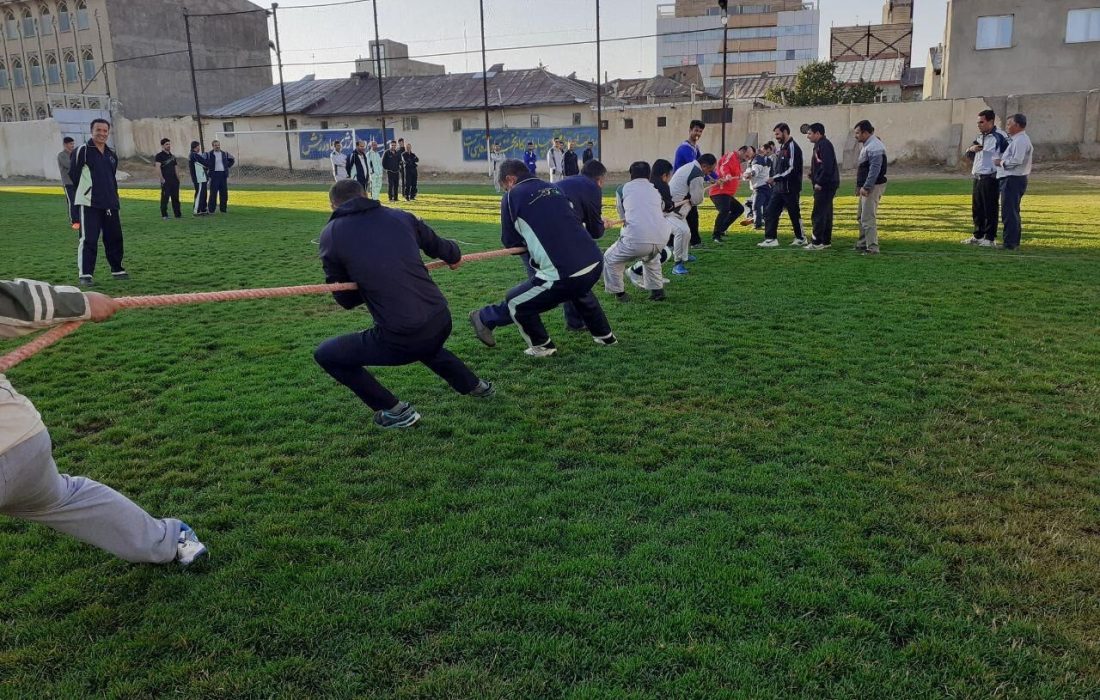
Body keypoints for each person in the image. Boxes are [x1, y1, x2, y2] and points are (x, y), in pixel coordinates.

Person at [0, 279, 208, 566]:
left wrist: (81, 304)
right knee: (62, 497)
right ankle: (169, 542)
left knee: (60, 498)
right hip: (21, 442)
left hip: (16, 441)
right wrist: (82, 302)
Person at [313, 179, 495, 429]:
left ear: (332, 205)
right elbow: (449, 251)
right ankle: (476, 386)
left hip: (403, 335)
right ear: (366, 194)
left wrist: (369, 279)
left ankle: (394, 410)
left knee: (327, 354)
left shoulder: (331, 234)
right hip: (441, 318)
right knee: (422, 341)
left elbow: (345, 299)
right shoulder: (401, 216)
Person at [469, 159, 616, 357]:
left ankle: (542, 346)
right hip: (594, 263)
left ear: (510, 180)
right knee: (578, 289)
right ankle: (605, 336)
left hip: (563, 272)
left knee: (515, 301)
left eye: (504, 187)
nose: (505, 191)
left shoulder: (511, 197)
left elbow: (510, 241)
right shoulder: (552, 187)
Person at [552, 158, 609, 331]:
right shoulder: (592, 187)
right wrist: (602, 224)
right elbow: (595, 232)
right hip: (561, 236)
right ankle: (490, 317)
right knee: (579, 275)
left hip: (543, 232)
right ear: (599, 179)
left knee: (569, 276)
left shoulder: (565, 182)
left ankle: (575, 322)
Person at [72, 119, 127, 287]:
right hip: (90, 203)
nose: (102, 133)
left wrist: (113, 198)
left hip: (110, 203)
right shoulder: (83, 151)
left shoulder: (111, 155)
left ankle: (117, 269)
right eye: (98, 130)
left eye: (105, 131)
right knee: (89, 239)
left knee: (114, 238)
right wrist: (87, 192)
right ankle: (86, 274)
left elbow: (111, 178)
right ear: (91, 130)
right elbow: (74, 175)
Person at [605, 161, 669, 303]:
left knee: (610, 258)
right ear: (649, 174)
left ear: (631, 174)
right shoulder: (655, 190)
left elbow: (623, 216)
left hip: (636, 239)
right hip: (661, 238)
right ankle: (657, 291)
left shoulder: (622, 189)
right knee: (651, 257)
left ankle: (620, 294)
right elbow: (662, 207)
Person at [962, 109, 1010, 247]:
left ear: (990, 121)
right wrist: (971, 149)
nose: (979, 125)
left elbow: (1010, 153)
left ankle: (989, 238)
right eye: (978, 122)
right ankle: (978, 235)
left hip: (991, 177)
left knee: (990, 208)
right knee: (977, 208)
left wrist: (1000, 167)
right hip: (977, 176)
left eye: (981, 122)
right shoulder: (979, 137)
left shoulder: (1000, 136)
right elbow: (969, 153)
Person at [758, 123, 807, 248]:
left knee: (794, 214)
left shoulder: (792, 147)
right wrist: (775, 179)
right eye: (775, 134)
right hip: (778, 188)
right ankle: (771, 239)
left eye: (778, 134)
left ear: (785, 132)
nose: (776, 137)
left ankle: (801, 238)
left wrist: (774, 178)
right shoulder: (782, 147)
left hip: (790, 188)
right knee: (770, 212)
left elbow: (792, 169)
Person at [668, 153, 717, 274]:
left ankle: (684, 256)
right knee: (682, 231)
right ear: (704, 166)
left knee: (687, 232)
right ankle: (677, 264)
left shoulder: (690, 167)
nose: (709, 173)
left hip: (676, 207)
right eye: (710, 170)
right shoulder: (697, 174)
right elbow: (696, 200)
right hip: (672, 209)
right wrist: (697, 196)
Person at [995, 113, 1033, 251]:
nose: (1007, 127)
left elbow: (1017, 160)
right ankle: (1012, 241)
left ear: (1017, 125)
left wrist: (1001, 162)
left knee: (1009, 211)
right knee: (1012, 210)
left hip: (1013, 179)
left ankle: (1010, 243)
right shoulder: (1016, 139)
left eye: (1009, 124)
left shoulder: (1021, 141)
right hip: (1012, 178)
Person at [853, 119, 888, 255]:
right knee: (861, 216)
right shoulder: (868, 145)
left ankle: (872, 247)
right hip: (867, 186)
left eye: (857, 133)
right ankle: (862, 243)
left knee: (868, 217)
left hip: (872, 187)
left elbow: (874, 170)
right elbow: (863, 168)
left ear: (865, 133)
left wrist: (866, 187)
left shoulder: (875, 146)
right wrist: (859, 186)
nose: (855, 136)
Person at [806, 123, 839, 250]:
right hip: (827, 183)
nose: (808, 136)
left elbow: (827, 166)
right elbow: (820, 164)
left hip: (826, 185)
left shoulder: (824, 145)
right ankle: (825, 241)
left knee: (818, 213)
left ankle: (816, 242)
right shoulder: (819, 145)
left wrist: (820, 182)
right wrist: (813, 173)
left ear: (818, 133)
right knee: (826, 212)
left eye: (810, 133)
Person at [674, 119, 706, 247]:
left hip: (688, 187)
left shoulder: (695, 148)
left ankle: (693, 241)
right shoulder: (685, 148)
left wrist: (715, 177)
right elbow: (697, 167)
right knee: (681, 215)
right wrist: (709, 176)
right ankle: (692, 242)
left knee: (690, 214)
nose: (698, 133)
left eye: (700, 131)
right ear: (690, 130)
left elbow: (703, 163)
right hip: (681, 188)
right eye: (696, 130)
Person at [709, 148, 745, 243]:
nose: (747, 159)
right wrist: (727, 175)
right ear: (742, 151)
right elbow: (723, 167)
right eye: (747, 156)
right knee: (724, 210)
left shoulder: (738, 161)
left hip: (727, 194)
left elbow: (737, 173)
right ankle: (716, 235)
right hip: (719, 192)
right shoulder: (731, 156)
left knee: (739, 209)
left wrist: (742, 175)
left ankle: (721, 230)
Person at [741, 142, 772, 230]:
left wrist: (751, 174)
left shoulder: (756, 160)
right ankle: (765, 222)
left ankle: (757, 224)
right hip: (765, 187)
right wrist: (745, 175)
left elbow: (755, 170)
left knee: (755, 206)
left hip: (760, 188)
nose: (746, 154)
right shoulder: (756, 160)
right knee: (765, 208)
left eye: (748, 152)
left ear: (753, 152)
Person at [154, 138, 182, 221]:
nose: (168, 146)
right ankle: (164, 215)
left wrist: (178, 178)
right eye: (166, 144)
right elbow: (157, 168)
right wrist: (162, 179)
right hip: (166, 181)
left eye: (169, 144)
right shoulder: (159, 156)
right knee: (165, 198)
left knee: (176, 198)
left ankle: (178, 214)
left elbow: (176, 167)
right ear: (162, 145)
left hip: (174, 181)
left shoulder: (172, 156)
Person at [205, 140, 235, 215]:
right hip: (214, 175)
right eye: (215, 145)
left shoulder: (224, 153)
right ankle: (211, 210)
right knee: (213, 193)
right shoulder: (209, 154)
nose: (217, 146)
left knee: (224, 193)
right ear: (213, 146)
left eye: (218, 145)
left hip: (223, 175)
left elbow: (232, 160)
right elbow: (203, 162)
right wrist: (207, 169)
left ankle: (223, 209)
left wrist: (227, 166)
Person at [58, 136, 79, 230]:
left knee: (79, 202)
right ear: (65, 145)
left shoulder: (75, 154)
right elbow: (69, 165)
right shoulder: (62, 155)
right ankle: (74, 221)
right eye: (71, 144)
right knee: (72, 202)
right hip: (68, 183)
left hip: (77, 182)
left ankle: (80, 219)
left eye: (73, 144)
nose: (72, 145)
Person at [188, 140, 210, 217]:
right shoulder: (194, 155)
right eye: (198, 147)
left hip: (202, 177)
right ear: (196, 147)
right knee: (199, 194)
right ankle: (196, 210)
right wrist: (208, 163)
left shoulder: (194, 155)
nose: (199, 148)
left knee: (203, 193)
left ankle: (203, 209)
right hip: (199, 178)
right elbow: (204, 163)